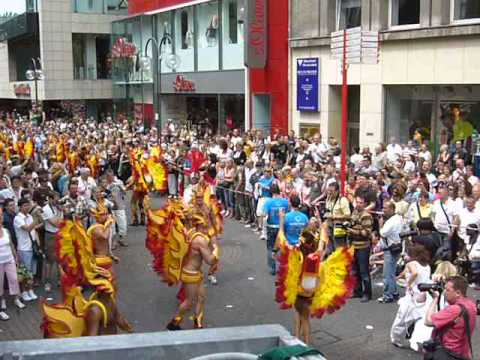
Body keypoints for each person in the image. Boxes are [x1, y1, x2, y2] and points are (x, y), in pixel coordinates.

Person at [166, 209, 219, 330]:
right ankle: (174, 323)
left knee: (201, 297)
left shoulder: (191, 232)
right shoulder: (199, 240)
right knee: (189, 301)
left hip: (195, 272)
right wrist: (216, 250)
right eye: (206, 223)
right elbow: (210, 260)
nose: (208, 226)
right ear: (200, 224)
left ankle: (197, 321)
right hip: (190, 274)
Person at [425, 276, 477, 360]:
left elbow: (428, 321)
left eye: (448, 290)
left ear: (458, 293)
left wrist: (435, 299)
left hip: (447, 352)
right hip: (462, 353)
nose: (445, 292)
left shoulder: (454, 309)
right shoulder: (471, 305)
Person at [391, 244, 432, 349]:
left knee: (402, 318)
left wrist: (408, 284)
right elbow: (406, 272)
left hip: (413, 295)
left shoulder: (412, 263)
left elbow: (414, 273)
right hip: (424, 294)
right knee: (421, 318)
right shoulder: (426, 265)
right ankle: (423, 338)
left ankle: (396, 339)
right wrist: (398, 277)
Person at [13, 198, 42, 302]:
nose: (27, 207)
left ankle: (30, 290)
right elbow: (28, 228)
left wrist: (38, 245)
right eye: (25, 205)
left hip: (32, 247)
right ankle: (24, 291)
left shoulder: (29, 216)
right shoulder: (17, 218)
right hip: (24, 248)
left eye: (28, 205)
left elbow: (34, 230)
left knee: (31, 271)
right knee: (25, 272)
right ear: (20, 207)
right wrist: (36, 220)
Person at [0, 206, 25, 321]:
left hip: (9, 259)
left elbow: (11, 245)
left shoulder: (5, 231)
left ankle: (16, 298)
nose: (0, 218)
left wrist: (15, 257)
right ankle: (2, 300)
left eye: (1, 216)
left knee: (14, 279)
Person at [347, 194, 374, 302]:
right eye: (357, 202)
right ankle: (357, 291)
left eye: (360, 202)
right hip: (354, 245)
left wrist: (352, 231)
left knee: (364, 271)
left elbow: (366, 233)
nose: (358, 204)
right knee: (354, 270)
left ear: (365, 204)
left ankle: (367, 293)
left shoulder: (366, 215)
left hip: (363, 246)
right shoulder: (354, 213)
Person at [378, 201, 403, 303]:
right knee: (392, 272)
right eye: (383, 208)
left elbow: (383, 233)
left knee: (387, 273)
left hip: (390, 249)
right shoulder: (398, 218)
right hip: (396, 246)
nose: (383, 210)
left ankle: (387, 295)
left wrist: (380, 225)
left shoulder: (391, 221)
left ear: (392, 209)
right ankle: (394, 292)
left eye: (385, 208)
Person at [263, 183, 289, 275]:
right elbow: (288, 213)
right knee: (282, 247)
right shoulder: (285, 201)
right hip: (282, 227)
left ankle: (273, 268)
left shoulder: (268, 202)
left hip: (271, 227)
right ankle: (282, 267)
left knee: (270, 247)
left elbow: (264, 214)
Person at [41, 191, 63, 292]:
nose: (57, 201)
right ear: (49, 199)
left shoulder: (58, 207)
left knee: (61, 259)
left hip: (60, 235)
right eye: (55, 199)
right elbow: (55, 224)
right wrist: (60, 212)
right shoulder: (45, 209)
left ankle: (60, 279)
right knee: (50, 260)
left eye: (58, 198)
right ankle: (47, 282)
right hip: (50, 235)